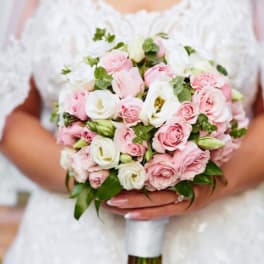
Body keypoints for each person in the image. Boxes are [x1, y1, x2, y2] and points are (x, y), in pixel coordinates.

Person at [1, 0, 264, 263]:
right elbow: (12, 114)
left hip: (220, 233)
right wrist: (89, 175)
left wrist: (214, 184)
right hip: (71, 238)